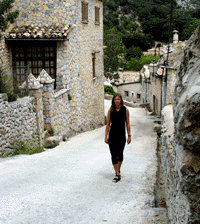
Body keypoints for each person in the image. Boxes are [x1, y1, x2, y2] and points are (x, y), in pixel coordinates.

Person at [105, 93, 131, 183]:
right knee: (113, 155)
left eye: (118, 99)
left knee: (120, 154)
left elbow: (127, 123)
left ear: (121, 100)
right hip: (112, 135)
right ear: (113, 100)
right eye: (115, 99)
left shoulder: (125, 110)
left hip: (121, 136)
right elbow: (108, 124)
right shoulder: (111, 110)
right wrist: (106, 136)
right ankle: (117, 174)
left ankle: (118, 170)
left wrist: (129, 135)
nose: (117, 101)